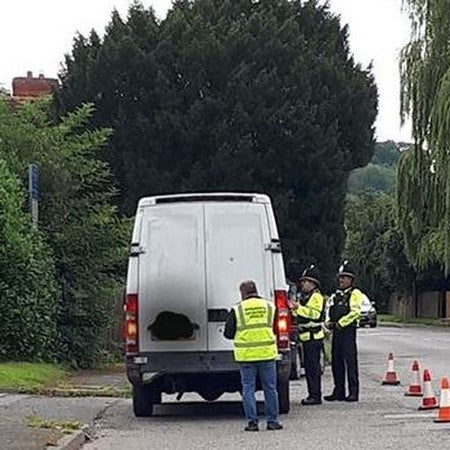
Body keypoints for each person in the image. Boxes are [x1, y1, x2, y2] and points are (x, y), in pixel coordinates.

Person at [224, 280, 283, 432]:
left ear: (242, 293)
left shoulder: (237, 309)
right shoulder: (270, 307)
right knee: (270, 388)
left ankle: (252, 423)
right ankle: (272, 421)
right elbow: (277, 328)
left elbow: (228, 333)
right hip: (267, 354)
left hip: (247, 356)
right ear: (256, 290)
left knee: (248, 389)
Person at [324, 260, 363, 402]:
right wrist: (329, 321)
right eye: (340, 277)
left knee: (350, 362)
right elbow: (329, 309)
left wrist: (342, 323)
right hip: (336, 331)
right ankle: (338, 390)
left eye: (344, 277)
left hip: (348, 331)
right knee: (336, 361)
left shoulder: (355, 294)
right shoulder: (336, 295)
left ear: (351, 280)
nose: (341, 280)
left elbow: (355, 312)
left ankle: (353, 391)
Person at [291, 264, 325, 405]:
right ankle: (312, 394)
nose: (302, 284)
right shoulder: (304, 297)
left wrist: (298, 308)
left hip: (313, 337)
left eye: (305, 281)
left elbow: (314, 314)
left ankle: (315, 396)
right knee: (309, 368)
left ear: (313, 283)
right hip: (305, 337)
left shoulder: (316, 297)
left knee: (313, 369)